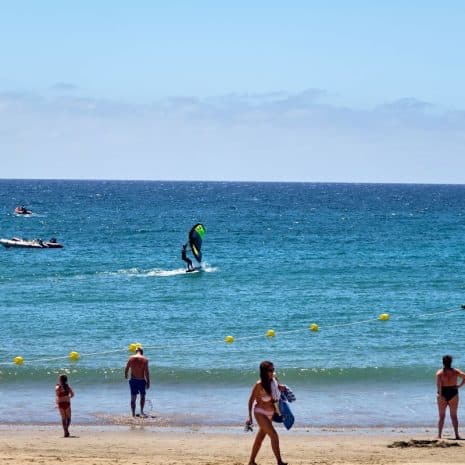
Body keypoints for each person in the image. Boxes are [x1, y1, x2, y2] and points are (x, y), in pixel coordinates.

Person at [246, 361, 287, 465]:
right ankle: (279, 462)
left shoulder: (274, 380)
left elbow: (278, 391)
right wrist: (249, 416)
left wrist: (281, 387)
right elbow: (251, 400)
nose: (272, 372)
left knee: (260, 438)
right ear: (264, 372)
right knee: (274, 435)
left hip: (270, 413)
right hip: (260, 412)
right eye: (270, 370)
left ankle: (251, 461)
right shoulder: (259, 385)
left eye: (273, 369)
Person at [436, 354, 465, 439]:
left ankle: (439, 435)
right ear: (451, 362)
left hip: (443, 393)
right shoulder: (456, 371)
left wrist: (440, 396)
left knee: (441, 416)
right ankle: (456, 435)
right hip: (453, 392)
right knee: (454, 416)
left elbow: (439, 386)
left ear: (443, 362)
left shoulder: (439, 373)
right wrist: (459, 386)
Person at [124, 347, 150, 417]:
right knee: (142, 397)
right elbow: (146, 372)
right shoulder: (145, 359)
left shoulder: (131, 358)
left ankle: (133, 414)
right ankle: (141, 411)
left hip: (133, 380)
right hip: (141, 380)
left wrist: (126, 375)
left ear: (136, 351)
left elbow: (126, 368)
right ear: (142, 352)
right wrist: (148, 382)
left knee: (133, 398)